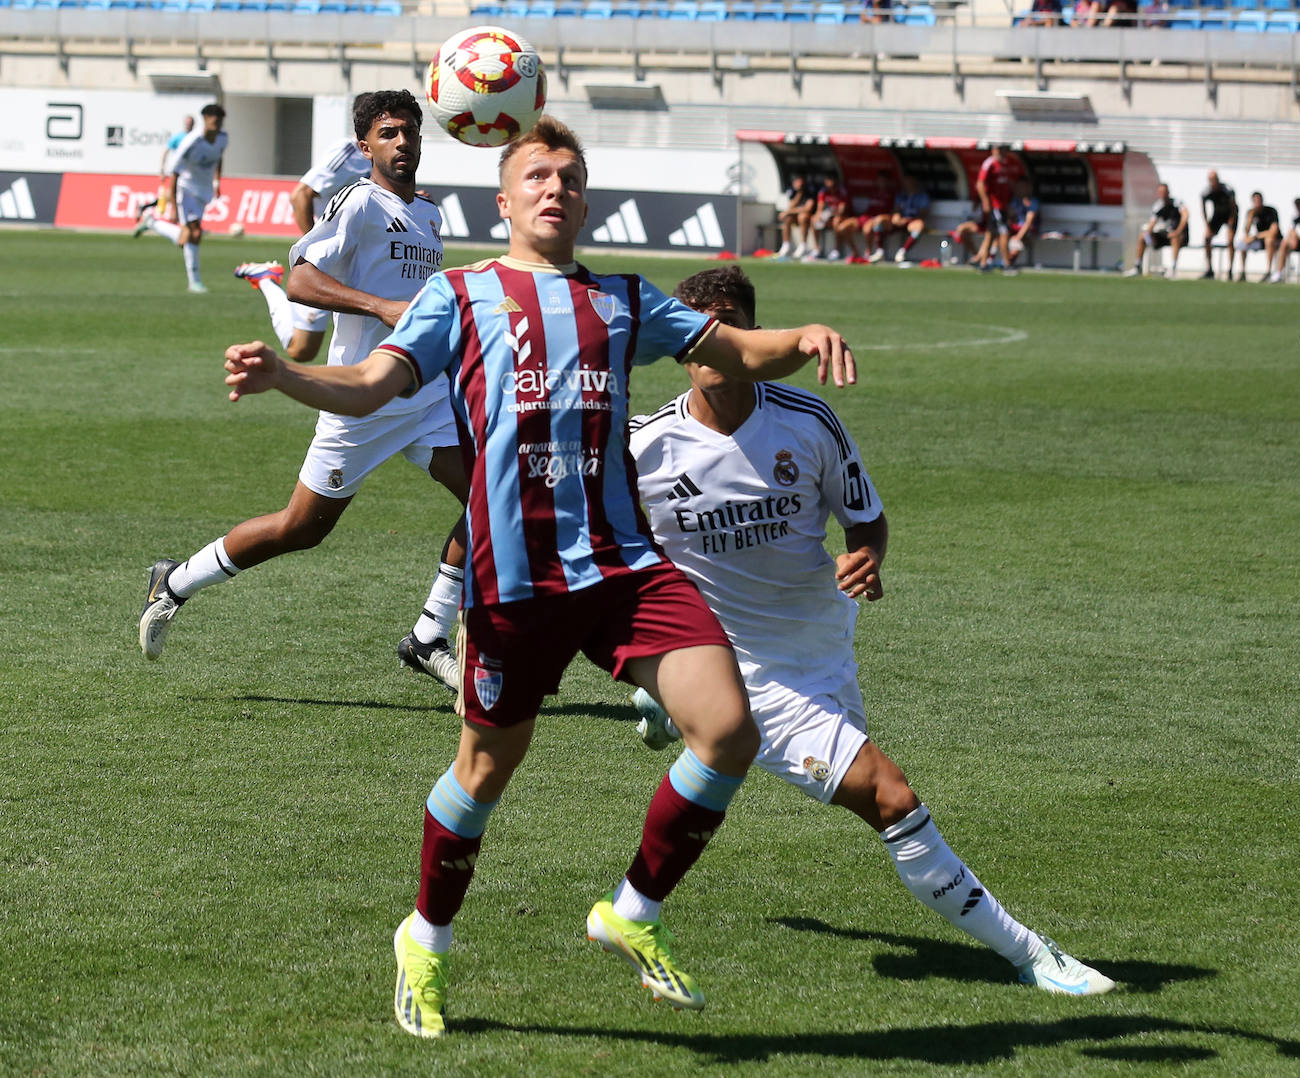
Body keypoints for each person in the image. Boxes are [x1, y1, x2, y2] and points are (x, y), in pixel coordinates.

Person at [217, 116, 858, 1036]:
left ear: (585, 199)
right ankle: (425, 941)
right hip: (514, 583)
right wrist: (286, 375)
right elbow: (368, 387)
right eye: (538, 176)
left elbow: (743, 353)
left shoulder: (626, 300)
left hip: (625, 568)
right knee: (483, 773)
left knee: (726, 730)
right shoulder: (461, 296)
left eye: (571, 176)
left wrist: (809, 332)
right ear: (504, 199)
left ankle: (631, 913)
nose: (556, 188)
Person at [628, 265, 1115, 997]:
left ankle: (674, 710)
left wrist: (866, 557)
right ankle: (1029, 954)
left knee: (860, 778)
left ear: (752, 336)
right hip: (745, 671)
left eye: (727, 322)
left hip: (823, 644)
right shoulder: (644, 451)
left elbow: (866, 521)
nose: (711, 341)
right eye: (696, 325)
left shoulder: (808, 421)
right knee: (891, 797)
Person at [139, 90, 469, 694]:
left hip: (425, 397)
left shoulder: (428, 214)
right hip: (359, 400)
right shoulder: (359, 202)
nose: (403, 143)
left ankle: (428, 637)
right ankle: (176, 580)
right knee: (301, 528)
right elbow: (301, 278)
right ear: (365, 145)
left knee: (492, 503)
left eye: (411, 132)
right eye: (389, 133)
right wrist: (380, 307)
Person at [234, 93, 375, 363]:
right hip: (330, 259)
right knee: (302, 350)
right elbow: (300, 194)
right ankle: (265, 279)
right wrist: (312, 248)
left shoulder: (384, 158)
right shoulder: (346, 153)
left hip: (361, 256)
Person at [133, 103, 228, 294]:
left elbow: (219, 157)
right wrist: (174, 207)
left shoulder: (223, 139)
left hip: (204, 190)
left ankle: (152, 222)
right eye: (212, 118)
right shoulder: (191, 141)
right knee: (195, 233)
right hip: (186, 188)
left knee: (186, 237)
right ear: (205, 119)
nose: (215, 122)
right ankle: (195, 282)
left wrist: (217, 182)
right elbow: (175, 172)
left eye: (219, 120)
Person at [1124, 182, 1189, 278]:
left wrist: (1178, 231)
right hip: (1164, 236)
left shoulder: (1177, 203)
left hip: (1179, 235)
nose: (1163, 194)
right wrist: (1148, 233)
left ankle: (1173, 269)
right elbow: (1152, 222)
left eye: (1164, 192)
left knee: (1175, 237)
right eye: (1161, 192)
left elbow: (1185, 215)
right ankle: (1137, 267)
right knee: (1143, 237)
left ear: (1168, 192)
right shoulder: (1158, 206)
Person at [974, 145, 1016, 275]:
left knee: (990, 234)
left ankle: (983, 264)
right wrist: (986, 201)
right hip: (995, 206)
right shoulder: (989, 163)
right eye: (999, 149)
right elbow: (980, 184)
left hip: (1002, 206)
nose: (1001, 152)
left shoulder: (1004, 164)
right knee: (1004, 234)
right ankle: (1007, 264)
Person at [1236, 192, 1282, 283]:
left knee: (1269, 240)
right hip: (1260, 240)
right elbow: (1246, 231)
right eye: (1255, 201)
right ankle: (1242, 271)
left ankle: (1268, 271)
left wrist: (1255, 237)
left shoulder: (1271, 211)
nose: (1258, 203)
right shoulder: (1251, 212)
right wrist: (1250, 217)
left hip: (1275, 240)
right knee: (1243, 243)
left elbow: (1273, 232)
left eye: (1259, 200)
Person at [1200, 170, 1238, 281]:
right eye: (1211, 180)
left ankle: (1230, 270)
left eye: (1214, 180)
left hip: (1231, 214)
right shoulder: (1206, 192)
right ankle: (1209, 269)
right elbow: (1203, 209)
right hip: (1218, 214)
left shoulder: (1227, 190)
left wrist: (1231, 222)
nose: (1213, 182)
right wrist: (1207, 225)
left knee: (1230, 240)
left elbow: (1234, 207)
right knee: (1207, 238)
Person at [890, 173, 931, 265]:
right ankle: (878, 251)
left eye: (910, 181)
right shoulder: (901, 195)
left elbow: (923, 214)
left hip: (912, 221)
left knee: (919, 226)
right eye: (906, 181)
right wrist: (896, 216)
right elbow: (896, 210)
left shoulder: (922, 196)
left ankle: (902, 251)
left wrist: (907, 219)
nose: (908, 183)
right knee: (881, 222)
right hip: (900, 222)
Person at [775, 174, 817, 261]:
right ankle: (786, 245)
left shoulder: (810, 191)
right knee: (787, 218)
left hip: (807, 218)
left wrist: (789, 211)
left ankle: (803, 245)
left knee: (802, 217)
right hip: (796, 216)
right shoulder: (793, 191)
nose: (799, 184)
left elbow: (808, 208)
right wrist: (799, 194)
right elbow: (791, 206)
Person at [810, 175, 851, 262]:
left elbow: (841, 210)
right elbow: (820, 208)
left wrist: (831, 214)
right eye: (828, 180)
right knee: (813, 219)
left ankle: (836, 250)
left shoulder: (841, 191)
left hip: (840, 216)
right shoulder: (823, 192)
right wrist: (819, 216)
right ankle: (817, 249)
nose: (830, 183)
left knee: (836, 221)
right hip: (828, 217)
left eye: (831, 180)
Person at [858, 172, 897, 263]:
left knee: (878, 220)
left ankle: (880, 250)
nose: (881, 182)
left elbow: (894, 210)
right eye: (879, 180)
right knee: (867, 229)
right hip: (872, 218)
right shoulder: (873, 193)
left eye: (883, 180)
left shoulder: (892, 194)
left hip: (886, 220)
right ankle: (868, 251)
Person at [1007, 180, 1040, 268]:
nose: (1021, 189)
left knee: (1016, 243)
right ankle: (991, 259)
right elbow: (1009, 217)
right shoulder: (1015, 200)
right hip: (1015, 229)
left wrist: (1018, 237)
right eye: (1019, 187)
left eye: (1023, 187)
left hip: (1027, 231)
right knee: (999, 234)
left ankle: (1007, 263)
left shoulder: (1033, 201)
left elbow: (1029, 222)